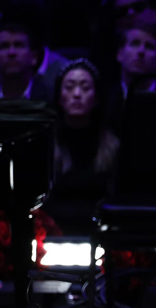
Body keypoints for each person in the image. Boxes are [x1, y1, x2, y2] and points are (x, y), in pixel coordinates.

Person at [45, 59, 119, 235]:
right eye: (69, 87)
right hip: (53, 232)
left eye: (85, 88)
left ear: (96, 98)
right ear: (59, 97)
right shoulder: (45, 144)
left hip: (100, 232)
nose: (77, 94)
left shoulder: (113, 146)